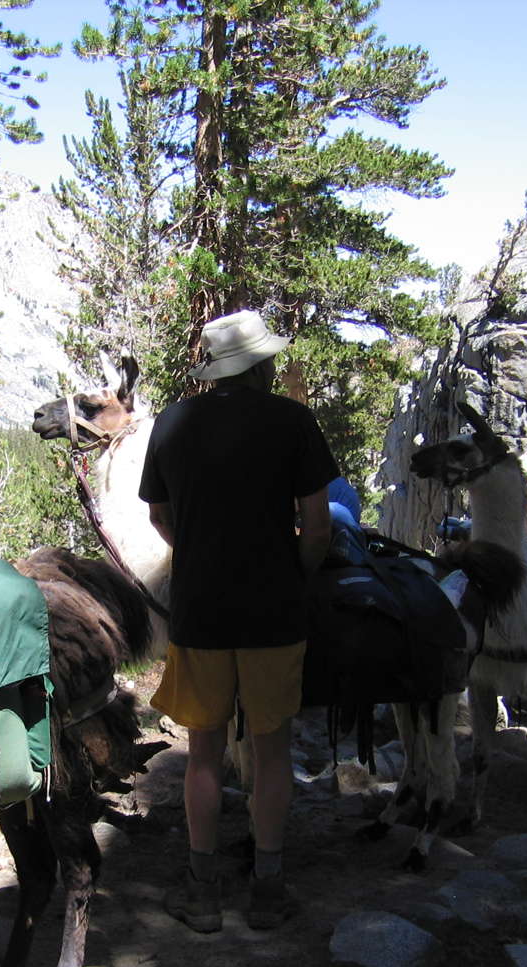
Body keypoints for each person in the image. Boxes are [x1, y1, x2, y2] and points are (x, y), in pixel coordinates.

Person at [139, 310, 337, 932]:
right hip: (274, 612)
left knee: (203, 752)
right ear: (259, 366)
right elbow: (318, 525)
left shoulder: (172, 422)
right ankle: (268, 890)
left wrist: (200, 554)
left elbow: (159, 517)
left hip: (200, 611)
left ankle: (203, 893)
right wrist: (294, 574)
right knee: (271, 750)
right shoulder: (291, 420)